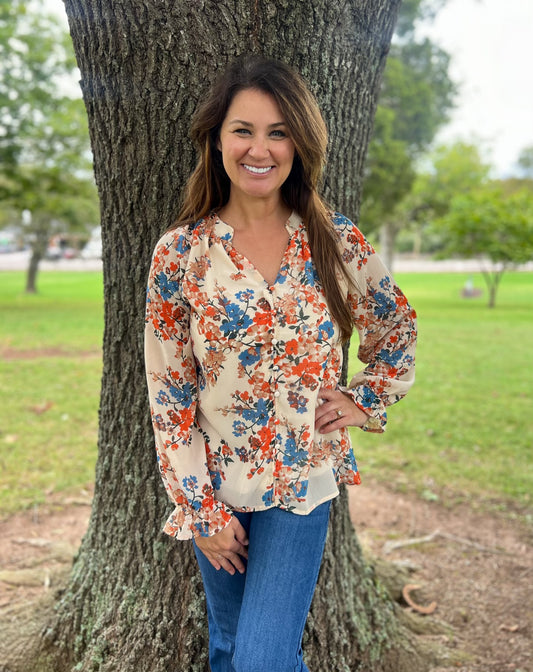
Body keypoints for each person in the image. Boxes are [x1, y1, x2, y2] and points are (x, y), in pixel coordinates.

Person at [144, 55, 417, 672]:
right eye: (242, 130)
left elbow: (396, 324)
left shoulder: (333, 239)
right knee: (230, 645)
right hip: (216, 487)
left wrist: (364, 398)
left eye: (277, 131)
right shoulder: (181, 253)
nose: (258, 148)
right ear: (216, 141)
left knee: (261, 660)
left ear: (300, 142)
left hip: (301, 481)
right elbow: (168, 387)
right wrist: (199, 508)